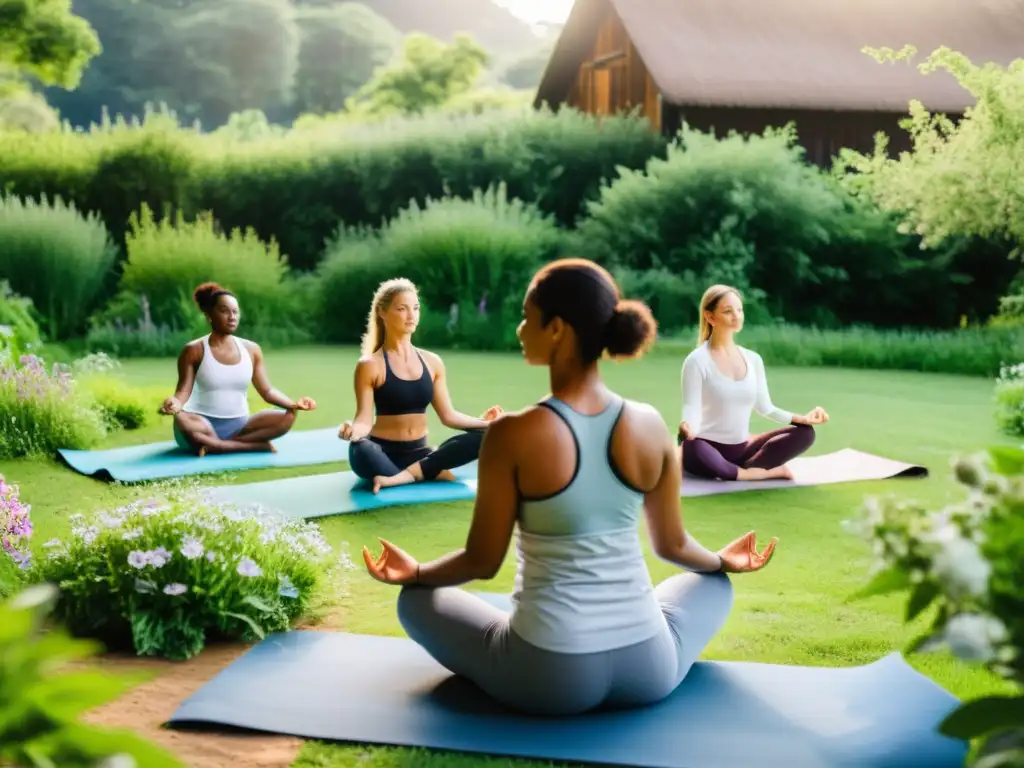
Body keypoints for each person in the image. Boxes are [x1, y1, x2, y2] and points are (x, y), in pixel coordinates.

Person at [362, 258, 777, 717]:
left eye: (527, 317)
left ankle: (487, 626)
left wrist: (417, 573)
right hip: (650, 668)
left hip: (546, 676)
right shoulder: (650, 424)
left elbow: (481, 562)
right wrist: (722, 561)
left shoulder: (511, 434)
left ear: (556, 329)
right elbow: (674, 546)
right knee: (714, 585)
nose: (520, 330)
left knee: (416, 601)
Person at [339, 278, 503, 494]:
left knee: (487, 437)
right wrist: (353, 431)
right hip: (381, 452)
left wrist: (487, 424)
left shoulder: (432, 362)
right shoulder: (370, 365)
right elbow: (364, 420)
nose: (411, 315)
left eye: (415, 308)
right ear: (382, 312)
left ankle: (403, 476)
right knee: (360, 448)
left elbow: (449, 416)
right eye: (402, 309)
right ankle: (426, 472)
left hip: (420, 451)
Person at [678, 284, 828, 482]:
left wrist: (803, 419)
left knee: (806, 434)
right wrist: (688, 428)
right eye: (728, 311)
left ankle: (739, 470)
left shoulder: (753, 359)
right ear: (710, 316)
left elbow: (765, 407)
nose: (736, 316)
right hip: (705, 448)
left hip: (742, 449)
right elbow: (691, 407)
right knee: (692, 445)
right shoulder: (696, 361)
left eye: (739, 310)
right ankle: (761, 473)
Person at [159, 282, 317, 455]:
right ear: (209, 315)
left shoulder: (252, 350)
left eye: (235, 311)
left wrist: (294, 403)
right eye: (224, 310)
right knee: (181, 417)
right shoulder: (193, 350)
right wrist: (174, 403)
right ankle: (251, 446)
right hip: (200, 425)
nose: (231, 316)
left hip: (240, 427)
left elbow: (267, 390)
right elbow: (183, 391)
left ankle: (216, 446)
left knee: (289, 415)